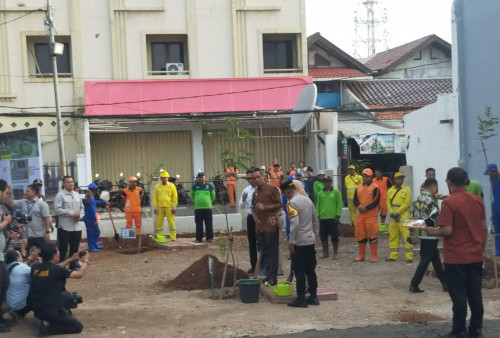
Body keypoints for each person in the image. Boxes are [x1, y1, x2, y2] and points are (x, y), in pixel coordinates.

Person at [425, 167, 487, 338]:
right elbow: (483, 228)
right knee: (475, 294)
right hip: (475, 255)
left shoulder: (449, 202)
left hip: (456, 256)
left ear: (449, 182)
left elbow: (447, 230)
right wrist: (481, 250)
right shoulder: (478, 200)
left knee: (459, 296)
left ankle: (458, 329)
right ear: (466, 181)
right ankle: (476, 329)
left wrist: (431, 231)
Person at [28, 243, 90, 336]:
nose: (59, 253)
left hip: (36, 308)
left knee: (66, 309)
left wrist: (71, 259)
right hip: (51, 310)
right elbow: (79, 274)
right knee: (77, 327)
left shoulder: (35, 267)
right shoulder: (56, 270)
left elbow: (54, 268)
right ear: (53, 255)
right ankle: (47, 327)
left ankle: (41, 320)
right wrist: (86, 261)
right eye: (57, 252)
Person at [281, 180, 320, 308]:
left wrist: (291, 242)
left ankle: (301, 298)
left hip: (299, 242)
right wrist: (314, 235)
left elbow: (295, 224)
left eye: (285, 193)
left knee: (299, 270)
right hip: (310, 240)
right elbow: (315, 220)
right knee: (310, 269)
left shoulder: (292, 203)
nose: (285, 196)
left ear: (288, 190)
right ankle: (313, 296)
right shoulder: (308, 200)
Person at [408, 178, 447, 293]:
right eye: (436, 188)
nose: (437, 190)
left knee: (435, 260)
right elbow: (434, 217)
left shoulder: (417, 198)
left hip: (421, 232)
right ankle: (414, 284)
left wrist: (412, 232)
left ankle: (445, 283)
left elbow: (412, 216)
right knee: (425, 260)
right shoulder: (432, 200)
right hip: (431, 233)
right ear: (433, 187)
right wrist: (437, 229)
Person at [251, 168, 282, 286]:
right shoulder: (256, 192)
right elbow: (253, 206)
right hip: (260, 225)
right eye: (253, 178)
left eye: (258, 177)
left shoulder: (272, 189)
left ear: (263, 176)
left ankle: (273, 277)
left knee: (272, 251)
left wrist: (266, 207)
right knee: (265, 251)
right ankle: (268, 275)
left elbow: (279, 204)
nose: (256, 180)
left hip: (271, 223)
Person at [8, 184, 51, 253]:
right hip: (27, 236)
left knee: (40, 255)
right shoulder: (22, 202)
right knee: (30, 255)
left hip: (39, 236)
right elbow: (10, 203)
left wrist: (47, 232)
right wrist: (9, 193)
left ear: (33, 192)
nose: (25, 193)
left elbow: (47, 218)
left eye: (27, 191)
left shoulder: (42, 204)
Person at [54, 176, 84, 271]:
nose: (70, 183)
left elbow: (82, 208)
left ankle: (73, 265)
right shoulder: (60, 195)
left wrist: (80, 216)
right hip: (65, 227)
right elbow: (57, 210)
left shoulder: (77, 195)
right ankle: (62, 266)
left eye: (72, 181)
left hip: (77, 226)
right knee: (63, 248)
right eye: (68, 182)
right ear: (63, 184)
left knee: (75, 247)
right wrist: (72, 214)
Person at [353, 168, 380, 263]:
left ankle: (374, 256)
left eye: (367, 176)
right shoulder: (358, 187)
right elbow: (355, 200)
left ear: (371, 177)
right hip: (360, 216)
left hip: (371, 216)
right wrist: (359, 206)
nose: (365, 178)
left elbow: (376, 201)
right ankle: (361, 256)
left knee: (372, 236)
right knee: (360, 236)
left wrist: (366, 208)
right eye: (364, 176)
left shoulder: (375, 187)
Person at [386, 172, 413, 262]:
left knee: (407, 237)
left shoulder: (407, 190)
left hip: (403, 218)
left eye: (401, 179)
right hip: (393, 218)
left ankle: (409, 257)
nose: (400, 180)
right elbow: (388, 203)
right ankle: (393, 256)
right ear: (394, 180)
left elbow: (406, 203)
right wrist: (392, 213)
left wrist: (396, 213)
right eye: (398, 179)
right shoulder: (389, 190)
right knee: (393, 236)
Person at [315, 176, 343, 259]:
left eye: (327, 182)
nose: (325, 183)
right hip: (323, 218)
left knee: (334, 236)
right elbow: (317, 205)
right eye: (324, 182)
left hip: (332, 218)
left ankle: (335, 253)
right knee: (323, 236)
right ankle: (325, 252)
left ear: (330, 182)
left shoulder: (336, 192)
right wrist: (318, 215)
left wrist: (338, 215)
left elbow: (339, 204)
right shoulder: (320, 194)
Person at [0, 180, 13, 333]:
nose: (5, 196)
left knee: (4, 284)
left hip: (1, 254)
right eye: (5, 193)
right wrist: (6, 222)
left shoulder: (1, 207)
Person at [239, 170, 257, 273]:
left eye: (252, 178)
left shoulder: (261, 188)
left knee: (262, 242)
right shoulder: (246, 190)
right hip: (251, 217)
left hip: (261, 217)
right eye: (248, 179)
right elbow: (241, 206)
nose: (250, 180)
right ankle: (253, 265)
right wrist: (244, 199)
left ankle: (263, 266)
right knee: (252, 242)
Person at [5, 249, 31, 321]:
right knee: (38, 289)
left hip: (7, 303)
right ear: (17, 258)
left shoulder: (5, 267)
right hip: (18, 304)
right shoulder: (22, 267)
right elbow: (37, 278)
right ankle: (39, 318)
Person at [153, 170, 178, 240]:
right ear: (160, 178)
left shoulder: (172, 186)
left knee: (171, 223)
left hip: (169, 207)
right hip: (160, 207)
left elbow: (175, 196)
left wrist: (174, 206)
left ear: (168, 178)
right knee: (159, 223)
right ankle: (160, 236)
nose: (164, 179)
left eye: (166, 177)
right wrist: (155, 206)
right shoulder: (157, 186)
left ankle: (173, 237)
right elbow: (155, 197)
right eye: (163, 177)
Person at [82, 183, 107, 252]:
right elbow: (92, 210)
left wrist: (103, 202)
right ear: (94, 190)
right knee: (91, 233)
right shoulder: (89, 197)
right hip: (90, 219)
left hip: (90, 218)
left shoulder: (90, 197)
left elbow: (95, 202)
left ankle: (95, 244)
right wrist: (95, 220)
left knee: (96, 232)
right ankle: (91, 247)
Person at [190, 172, 215, 243]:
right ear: (198, 178)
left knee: (209, 224)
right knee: (198, 224)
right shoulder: (194, 186)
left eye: (202, 177)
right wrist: (196, 202)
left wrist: (209, 202)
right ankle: (198, 238)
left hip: (207, 208)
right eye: (200, 177)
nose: (201, 178)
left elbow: (213, 196)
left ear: (205, 177)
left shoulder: (209, 186)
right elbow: (192, 196)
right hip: (198, 208)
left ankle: (209, 238)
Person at [484, 163, 500, 256]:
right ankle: (498, 249)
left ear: (494, 171)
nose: (489, 176)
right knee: (496, 228)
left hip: (497, 206)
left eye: (490, 173)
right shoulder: (492, 180)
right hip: (496, 207)